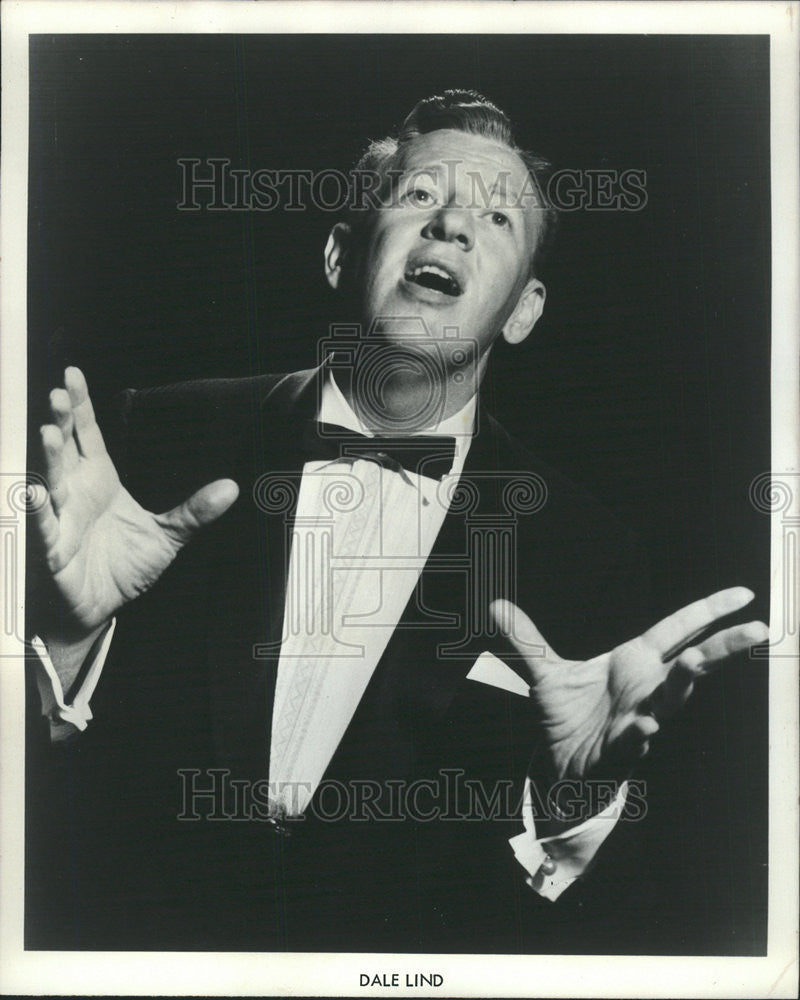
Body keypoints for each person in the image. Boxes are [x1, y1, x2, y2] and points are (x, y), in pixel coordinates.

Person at [25, 90, 767, 953]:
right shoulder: (152, 439)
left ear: (523, 312)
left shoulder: (585, 552)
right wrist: (63, 637)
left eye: (494, 216)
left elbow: (627, 930)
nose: (451, 225)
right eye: (419, 197)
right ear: (343, 253)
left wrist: (575, 797)